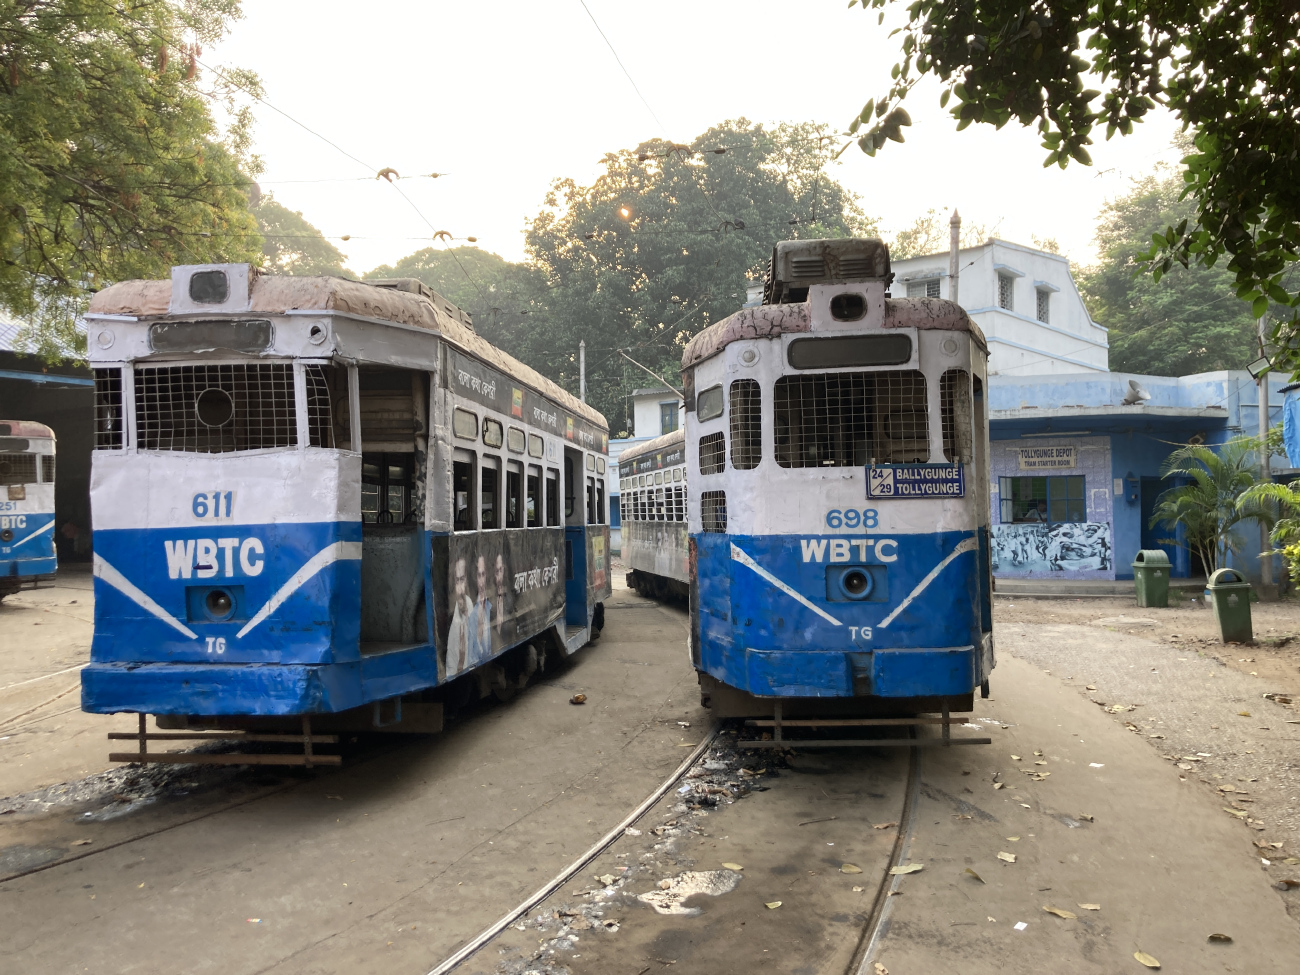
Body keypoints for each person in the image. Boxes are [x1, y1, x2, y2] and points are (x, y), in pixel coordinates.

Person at [446, 557, 472, 676]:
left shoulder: (470, 605)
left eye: (462, 580)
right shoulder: (450, 616)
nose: (461, 589)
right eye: (457, 581)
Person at [467, 554, 493, 666]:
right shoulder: (470, 614)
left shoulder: (490, 606)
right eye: (478, 575)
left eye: (483, 574)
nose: (481, 581)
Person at [493, 551, 516, 650]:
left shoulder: (509, 592)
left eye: (500, 570)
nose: (498, 576)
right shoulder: (488, 597)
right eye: (496, 571)